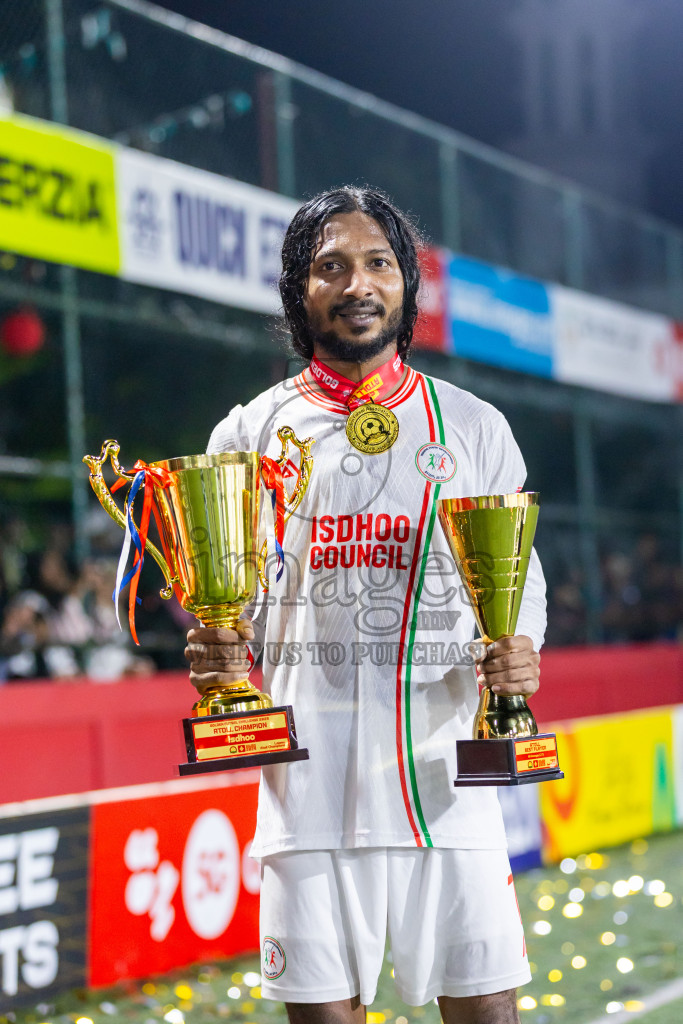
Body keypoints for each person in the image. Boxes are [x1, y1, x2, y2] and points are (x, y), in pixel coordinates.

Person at [185, 187, 546, 1024]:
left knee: (488, 1012)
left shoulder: (473, 426)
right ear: (297, 291)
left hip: (446, 776)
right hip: (303, 780)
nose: (358, 283)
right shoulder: (246, 433)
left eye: (378, 262)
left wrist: (518, 649)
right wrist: (214, 648)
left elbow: (519, 585)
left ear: (405, 285)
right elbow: (225, 603)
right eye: (331, 266)